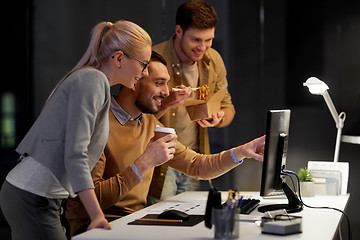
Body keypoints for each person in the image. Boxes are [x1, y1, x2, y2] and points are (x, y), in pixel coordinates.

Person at [65, 51, 265, 236]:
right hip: (95, 227)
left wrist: (242, 152)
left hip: (134, 221)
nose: (166, 92)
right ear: (133, 81)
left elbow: (197, 165)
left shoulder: (151, 123)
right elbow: (88, 201)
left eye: (167, 84)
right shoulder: (97, 123)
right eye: (159, 83)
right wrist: (145, 162)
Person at [0, 20, 152, 240]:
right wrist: (97, 215)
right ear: (119, 58)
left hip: (38, 197)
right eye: (144, 64)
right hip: (32, 197)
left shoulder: (91, 80)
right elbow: (74, 155)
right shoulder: (93, 81)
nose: (145, 73)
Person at [149, 0, 236, 203]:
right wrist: (168, 102)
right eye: (196, 40)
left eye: (209, 40)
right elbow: (135, 121)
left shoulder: (213, 60)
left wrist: (219, 118)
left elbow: (228, 107)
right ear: (178, 31)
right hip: (161, 162)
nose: (202, 47)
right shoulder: (154, 60)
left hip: (195, 159)